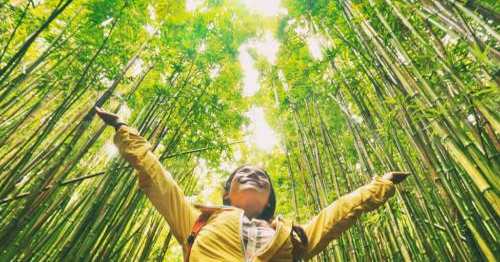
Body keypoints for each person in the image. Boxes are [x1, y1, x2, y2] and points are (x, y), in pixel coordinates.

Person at [95, 106, 410, 262]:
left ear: (268, 201)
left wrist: (379, 186)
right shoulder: (196, 224)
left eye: (261, 178)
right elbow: (157, 178)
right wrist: (123, 129)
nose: (252, 176)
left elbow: (335, 216)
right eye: (241, 175)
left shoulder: (287, 239)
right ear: (227, 194)